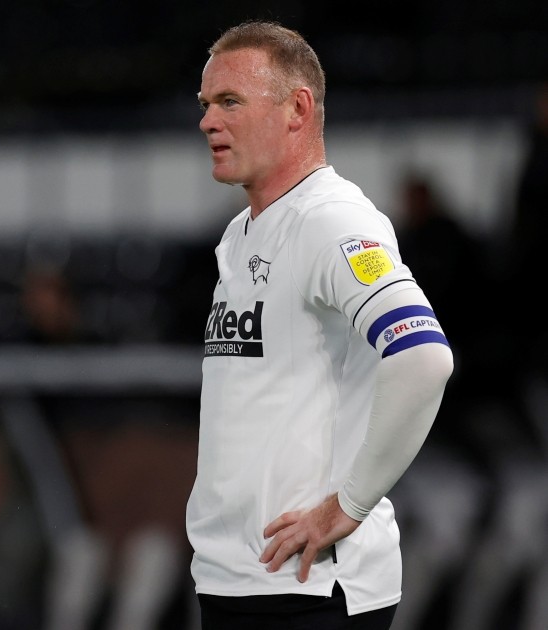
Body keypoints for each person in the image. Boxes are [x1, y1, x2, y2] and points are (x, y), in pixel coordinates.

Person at [185, 20, 454, 629]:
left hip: (311, 587)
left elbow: (423, 357)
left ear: (297, 109)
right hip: (236, 581)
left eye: (230, 102)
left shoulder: (332, 222)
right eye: (205, 104)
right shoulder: (242, 233)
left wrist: (351, 505)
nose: (207, 121)